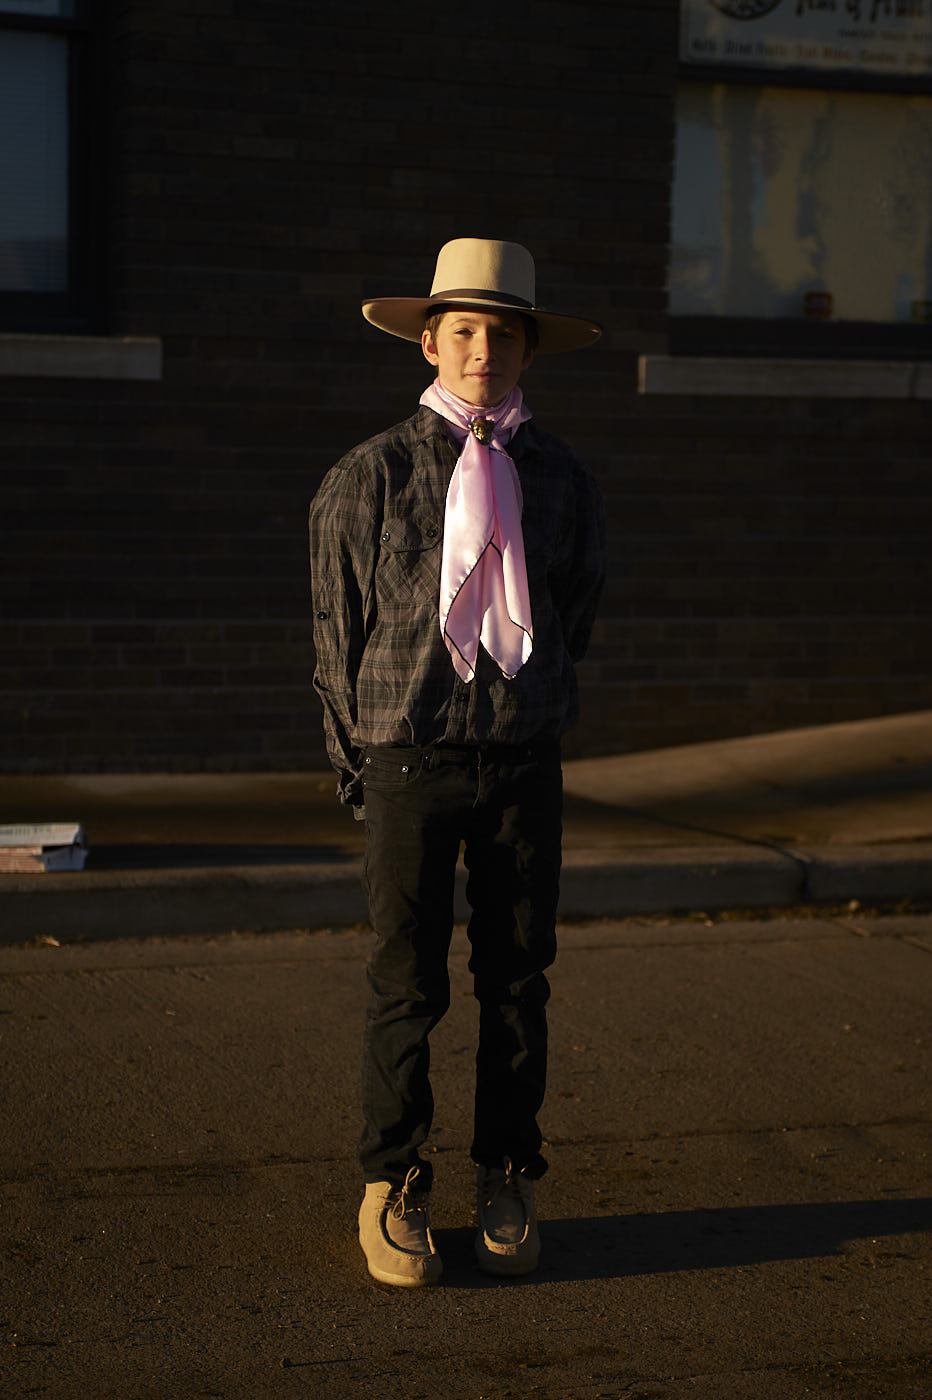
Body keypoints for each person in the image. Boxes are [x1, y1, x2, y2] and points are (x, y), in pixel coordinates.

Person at [308, 238, 604, 1287]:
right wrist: (364, 766)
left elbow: (570, 603)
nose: (485, 350)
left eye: (505, 331)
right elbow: (334, 637)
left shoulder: (558, 477)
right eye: (465, 330)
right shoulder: (370, 476)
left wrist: (530, 706)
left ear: (527, 348)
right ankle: (390, 1179)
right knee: (406, 983)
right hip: (408, 764)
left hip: (521, 764)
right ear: (429, 341)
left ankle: (506, 1173)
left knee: (518, 981)